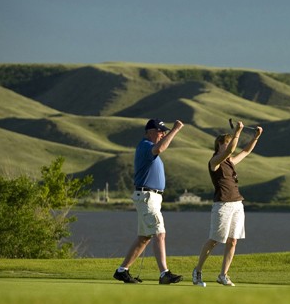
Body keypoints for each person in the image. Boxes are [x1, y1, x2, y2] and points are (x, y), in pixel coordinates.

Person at [113, 118, 185, 284]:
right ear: (149, 131)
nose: (163, 134)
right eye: (161, 131)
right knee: (160, 232)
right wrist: (175, 129)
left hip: (150, 197)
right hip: (147, 197)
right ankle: (164, 274)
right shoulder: (145, 145)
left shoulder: (148, 147)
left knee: (144, 237)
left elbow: (159, 147)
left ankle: (122, 270)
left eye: (164, 131)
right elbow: (160, 148)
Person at [192, 121, 263, 287]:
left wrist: (256, 137)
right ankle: (197, 271)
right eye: (224, 143)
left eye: (228, 142)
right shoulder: (214, 162)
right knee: (215, 240)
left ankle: (223, 275)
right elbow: (232, 149)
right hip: (222, 205)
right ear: (218, 146)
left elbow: (245, 151)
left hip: (237, 203)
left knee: (233, 241)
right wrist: (238, 132)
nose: (228, 145)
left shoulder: (230, 162)